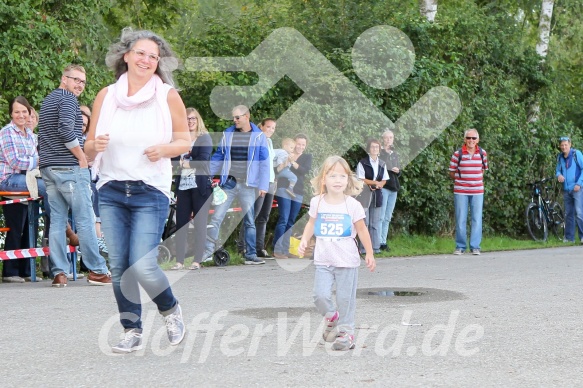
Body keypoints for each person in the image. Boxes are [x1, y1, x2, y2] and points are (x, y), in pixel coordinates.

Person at [84, 28, 191, 353]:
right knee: (119, 266)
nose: (146, 60)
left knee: (142, 264)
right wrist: (94, 145)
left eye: (153, 56)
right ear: (126, 55)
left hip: (150, 191)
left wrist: (164, 149)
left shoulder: (167, 95)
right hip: (113, 188)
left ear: (158, 63)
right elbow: (88, 150)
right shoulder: (106, 95)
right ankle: (132, 329)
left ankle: (171, 310)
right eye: (141, 53)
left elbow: (184, 140)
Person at [38, 65, 110, 287]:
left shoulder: (48, 100)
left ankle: (59, 272)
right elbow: (67, 130)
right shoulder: (68, 100)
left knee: (58, 221)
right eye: (75, 79)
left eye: (82, 82)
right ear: (64, 79)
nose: (79, 84)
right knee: (85, 219)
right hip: (69, 168)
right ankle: (97, 270)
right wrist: (81, 157)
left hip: (48, 168)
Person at [298, 155, 376, 351]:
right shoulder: (317, 202)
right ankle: (332, 317)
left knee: (345, 299)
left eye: (342, 176)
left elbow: (363, 229)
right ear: (323, 179)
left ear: (348, 180)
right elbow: (311, 223)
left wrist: (369, 253)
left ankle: (346, 333)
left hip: (347, 261)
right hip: (323, 260)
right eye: (332, 176)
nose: (338, 181)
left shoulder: (352, 205)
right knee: (320, 296)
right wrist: (305, 240)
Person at [202, 105, 270, 265]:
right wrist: (208, 174)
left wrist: (263, 185)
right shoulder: (228, 133)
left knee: (249, 220)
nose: (234, 120)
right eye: (233, 118)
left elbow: (264, 163)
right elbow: (219, 155)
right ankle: (208, 253)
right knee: (217, 217)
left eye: (237, 117)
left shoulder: (259, 136)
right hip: (229, 184)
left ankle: (251, 255)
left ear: (247, 116)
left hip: (248, 185)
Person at [0, 96, 49, 282]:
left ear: (29, 113)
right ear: (11, 114)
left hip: (27, 179)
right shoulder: (7, 132)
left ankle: (26, 270)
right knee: (47, 187)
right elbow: (16, 162)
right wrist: (38, 161)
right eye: (17, 112)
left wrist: (36, 161)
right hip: (9, 180)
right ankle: (11, 272)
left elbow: (33, 159)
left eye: (24, 111)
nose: (21, 115)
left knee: (29, 224)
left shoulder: (29, 134)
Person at [171, 107, 212, 270]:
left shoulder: (204, 138)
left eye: (193, 118)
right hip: (183, 186)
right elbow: (172, 160)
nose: (190, 121)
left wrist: (185, 163)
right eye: (187, 119)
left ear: (198, 120)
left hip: (200, 187)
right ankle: (179, 261)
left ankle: (197, 260)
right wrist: (182, 163)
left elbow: (203, 161)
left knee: (200, 225)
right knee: (181, 224)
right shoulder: (180, 139)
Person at [236, 117, 277, 258]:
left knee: (264, 216)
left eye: (273, 128)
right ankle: (242, 247)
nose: (271, 130)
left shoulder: (269, 142)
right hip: (260, 183)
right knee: (252, 215)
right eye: (269, 127)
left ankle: (260, 247)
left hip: (270, 182)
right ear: (262, 126)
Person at [448, 129, 488, 255]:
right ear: (465, 139)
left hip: (477, 191)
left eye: (474, 138)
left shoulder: (482, 153)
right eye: (469, 138)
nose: (471, 140)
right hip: (461, 191)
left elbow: (483, 169)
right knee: (461, 219)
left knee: (476, 219)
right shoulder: (457, 154)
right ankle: (460, 246)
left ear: (478, 140)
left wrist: (475, 180)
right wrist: (462, 180)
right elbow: (451, 172)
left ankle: (475, 246)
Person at [273, 134, 313, 259]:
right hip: (284, 188)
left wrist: (292, 162)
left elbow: (304, 170)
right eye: (298, 144)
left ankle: (286, 250)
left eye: (303, 145)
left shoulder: (307, 157)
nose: (300, 147)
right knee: (283, 218)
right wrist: (287, 161)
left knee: (291, 221)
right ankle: (277, 249)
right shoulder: (284, 154)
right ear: (294, 143)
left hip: (298, 191)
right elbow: (276, 170)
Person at [356, 138, 388, 254]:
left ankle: (375, 247)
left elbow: (384, 179)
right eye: (372, 147)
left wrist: (380, 184)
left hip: (377, 195)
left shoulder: (382, 163)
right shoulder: (363, 162)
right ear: (369, 149)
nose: (374, 149)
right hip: (364, 195)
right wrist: (374, 183)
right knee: (365, 222)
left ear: (379, 149)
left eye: (376, 147)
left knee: (375, 223)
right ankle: (363, 248)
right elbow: (360, 178)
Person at [555, 136, 583, 243]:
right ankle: (569, 238)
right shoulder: (560, 157)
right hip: (566, 190)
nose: (563, 147)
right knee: (568, 214)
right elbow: (557, 170)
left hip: (577, 189)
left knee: (579, 213)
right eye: (562, 145)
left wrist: (579, 183)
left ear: (570, 145)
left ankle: (582, 237)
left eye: (565, 145)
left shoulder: (577, 154)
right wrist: (559, 175)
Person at [379, 129, 401, 251]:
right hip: (384, 186)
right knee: (381, 216)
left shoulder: (395, 154)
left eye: (391, 138)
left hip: (394, 187)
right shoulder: (380, 153)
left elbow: (399, 171)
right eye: (386, 138)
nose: (389, 140)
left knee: (387, 217)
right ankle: (378, 242)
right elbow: (381, 167)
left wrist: (398, 171)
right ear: (383, 139)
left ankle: (384, 241)